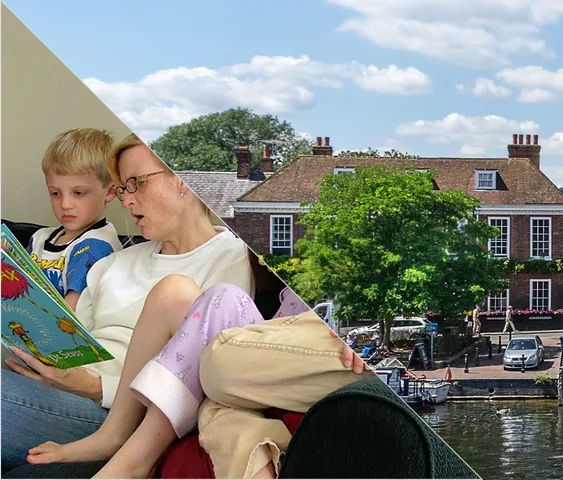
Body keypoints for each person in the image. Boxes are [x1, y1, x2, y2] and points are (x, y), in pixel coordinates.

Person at [9, 133, 370, 478]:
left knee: (179, 296)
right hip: (66, 386)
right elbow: (70, 341)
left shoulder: (232, 256)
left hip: (121, 403)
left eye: (136, 183)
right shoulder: (108, 264)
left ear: (184, 180)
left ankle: (124, 449)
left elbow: (205, 363)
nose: (126, 199)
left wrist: (92, 386)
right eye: (122, 188)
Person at [29, 128, 121, 307]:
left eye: (78, 193)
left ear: (110, 191)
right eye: (55, 193)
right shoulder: (40, 238)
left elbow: (69, 314)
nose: (65, 204)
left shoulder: (97, 245)